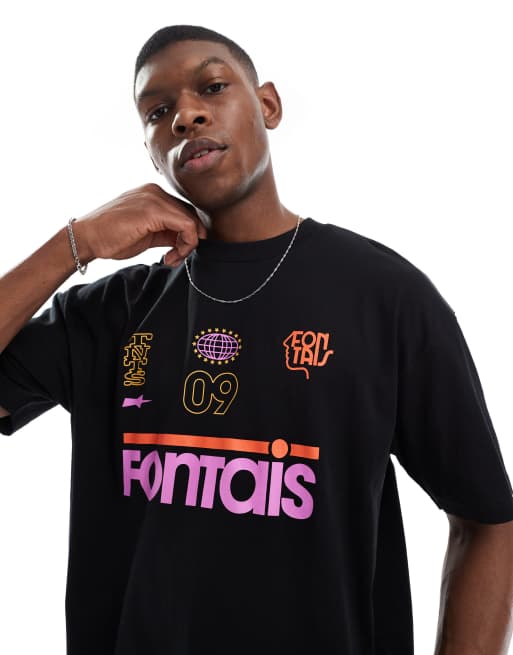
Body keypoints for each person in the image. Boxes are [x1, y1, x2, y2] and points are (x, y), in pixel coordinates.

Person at [0, 23, 512, 655]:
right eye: (157, 112)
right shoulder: (108, 313)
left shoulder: (385, 296)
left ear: (268, 105)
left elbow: (487, 519)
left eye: (212, 87)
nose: (185, 116)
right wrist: (73, 244)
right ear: (151, 153)